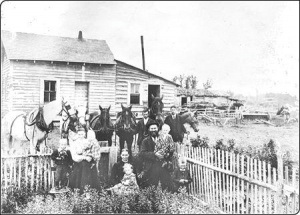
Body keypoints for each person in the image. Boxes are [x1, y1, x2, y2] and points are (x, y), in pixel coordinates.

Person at [138, 121, 174, 191]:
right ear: (148, 130)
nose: (153, 130)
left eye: (155, 128)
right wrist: (155, 154)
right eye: (151, 128)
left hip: (164, 165)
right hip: (152, 166)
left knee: (166, 185)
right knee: (152, 186)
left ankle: (166, 199)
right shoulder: (145, 141)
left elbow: (171, 150)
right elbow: (142, 153)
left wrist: (167, 154)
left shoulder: (165, 138)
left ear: (158, 129)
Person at [69, 127, 100, 193]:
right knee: (83, 170)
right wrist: (84, 157)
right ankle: (83, 192)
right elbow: (74, 157)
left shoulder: (88, 141)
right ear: (77, 134)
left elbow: (93, 151)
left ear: (85, 134)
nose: (80, 136)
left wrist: (91, 157)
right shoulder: (74, 143)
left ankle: (92, 193)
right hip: (79, 165)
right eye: (79, 134)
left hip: (89, 163)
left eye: (82, 134)